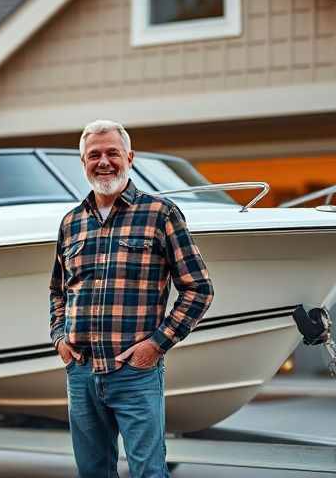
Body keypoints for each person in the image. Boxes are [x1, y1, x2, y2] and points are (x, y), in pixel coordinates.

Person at [49, 119, 214, 477]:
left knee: (148, 472)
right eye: (94, 154)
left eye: (112, 153)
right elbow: (58, 291)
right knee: (92, 472)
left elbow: (199, 288)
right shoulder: (70, 223)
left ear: (130, 157)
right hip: (81, 372)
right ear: (83, 163)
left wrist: (156, 345)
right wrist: (60, 340)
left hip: (134, 373)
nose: (104, 161)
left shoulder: (160, 214)